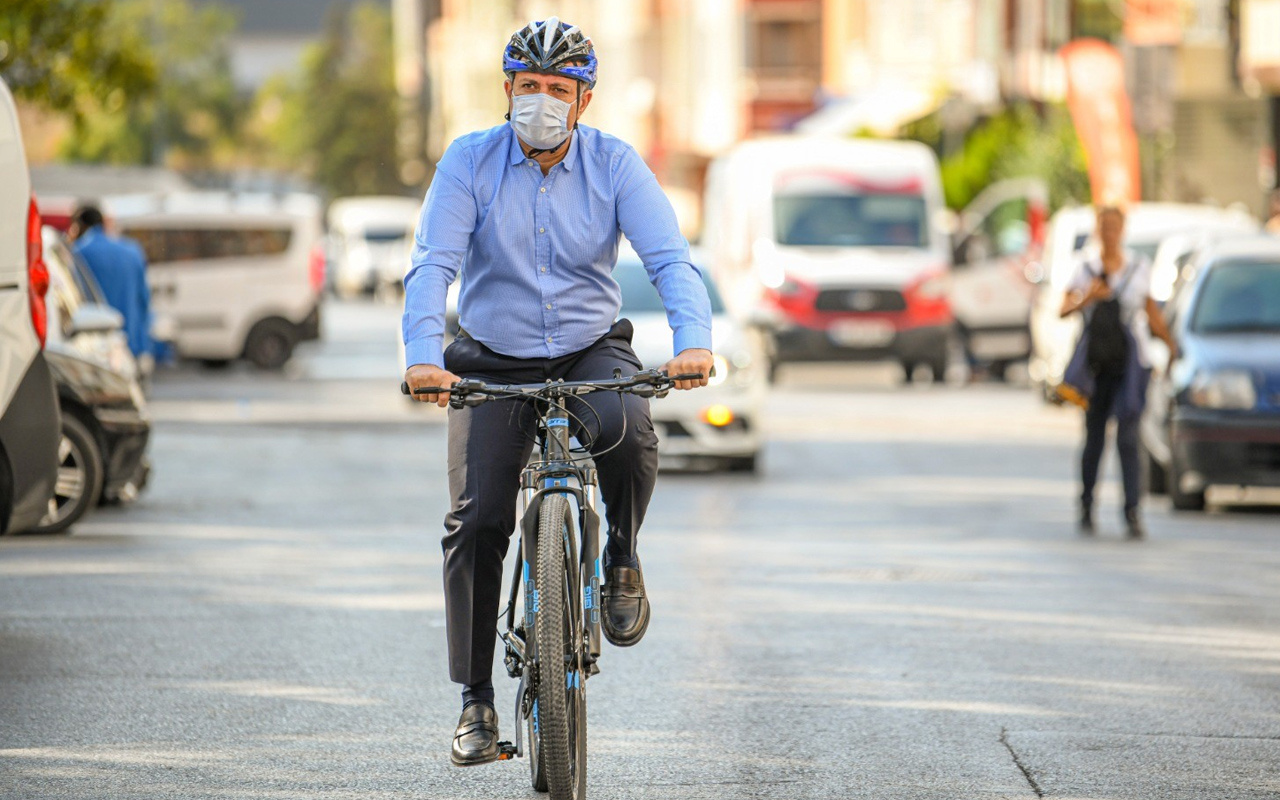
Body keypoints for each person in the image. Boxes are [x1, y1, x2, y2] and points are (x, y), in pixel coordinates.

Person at [400, 18, 714, 767]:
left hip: (589, 350)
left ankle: (622, 559)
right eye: (529, 87)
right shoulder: (468, 162)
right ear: (507, 90)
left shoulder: (616, 164)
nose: (542, 101)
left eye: (559, 90)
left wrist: (695, 341)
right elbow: (431, 265)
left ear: (584, 100)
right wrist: (422, 358)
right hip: (489, 360)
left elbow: (670, 258)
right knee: (476, 522)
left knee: (630, 434)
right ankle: (476, 701)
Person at [1059, 204, 1177, 539]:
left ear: (1122, 230)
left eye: (1115, 226)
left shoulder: (1138, 267)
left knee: (1128, 439)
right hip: (1097, 366)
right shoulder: (1085, 268)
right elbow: (1062, 308)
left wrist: (1169, 345)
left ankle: (1132, 512)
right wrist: (1087, 296)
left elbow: (1150, 310)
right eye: (1104, 226)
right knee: (1094, 439)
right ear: (1098, 230)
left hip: (1129, 365)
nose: (1110, 232)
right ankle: (1086, 506)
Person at [69, 205, 153, 366]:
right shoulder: (132, 250)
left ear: (79, 225)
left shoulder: (78, 252)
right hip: (131, 340)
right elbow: (144, 299)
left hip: (94, 346)